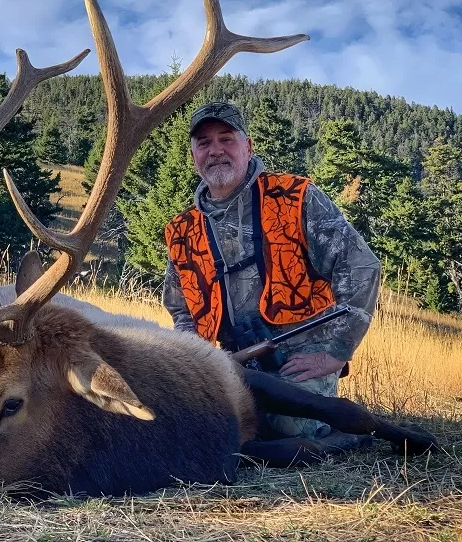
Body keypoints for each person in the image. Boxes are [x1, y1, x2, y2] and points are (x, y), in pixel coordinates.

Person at [162, 101, 381, 440]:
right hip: (235, 360)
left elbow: (361, 268)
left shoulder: (295, 197)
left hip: (303, 354)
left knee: (289, 426)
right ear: (193, 156)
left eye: (227, 139)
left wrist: (335, 352)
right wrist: (196, 363)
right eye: (204, 143)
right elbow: (181, 310)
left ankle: (339, 430)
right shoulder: (182, 231)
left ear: (247, 147)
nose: (216, 150)